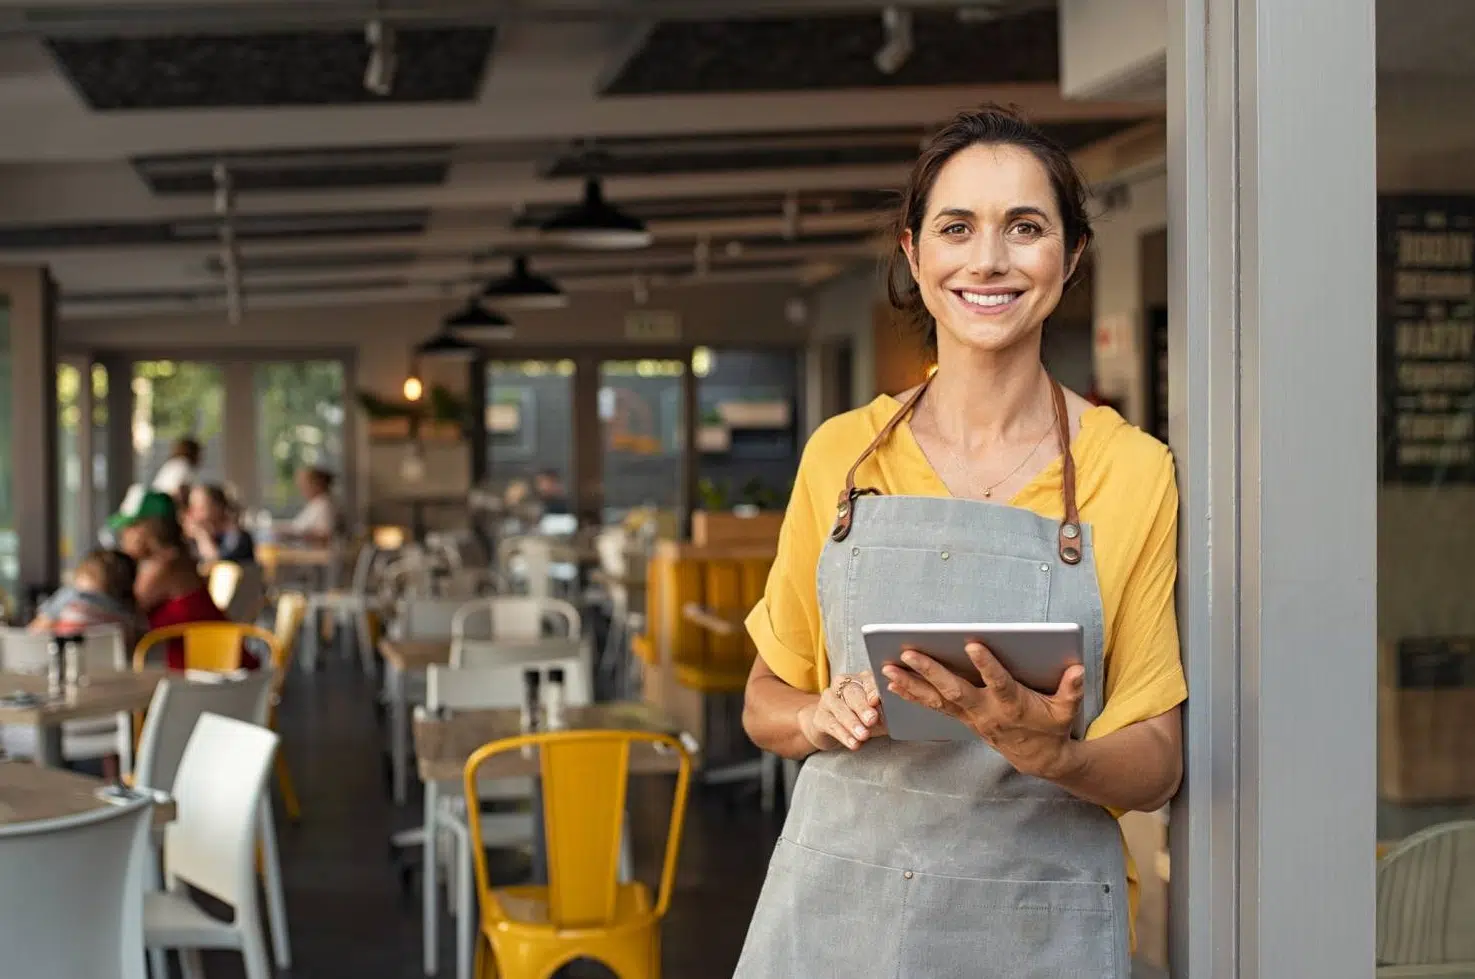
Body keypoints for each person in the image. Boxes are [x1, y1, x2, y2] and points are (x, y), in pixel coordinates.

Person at [735, 105, 1186, 976]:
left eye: (1025, 227)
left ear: (1071, 255)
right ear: (914, 253)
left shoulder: (1130, 471)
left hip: (1033, 922)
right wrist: (814, 714)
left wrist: (1053, 751)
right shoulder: (842, 454)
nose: (988, 259)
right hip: (841, 911)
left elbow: (1157, 762)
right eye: (956, 227)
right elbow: (765, 697)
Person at [110, 491, 256, 670]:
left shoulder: (163, 567)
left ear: (149, 528)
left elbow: (118, 612)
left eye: (129, 526)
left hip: (220, 676)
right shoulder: (178, 558)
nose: (122, 535)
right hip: (213, 670)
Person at [28, 548, 144, 641]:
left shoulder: (71, 596)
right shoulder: (129, 615)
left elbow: (34, 634)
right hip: (110, 669)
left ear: (85, 574)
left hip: (68, 665)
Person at [183, 483, 256, 564]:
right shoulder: (190, 540)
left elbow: (218, 564)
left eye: (201, 508)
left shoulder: (236, 537)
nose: (193, 513)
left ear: (218, 507)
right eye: (192, 507)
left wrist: (202, 536)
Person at [283, 466, 340, 546]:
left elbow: (325, 535)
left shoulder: (325, 505)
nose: (300, 488)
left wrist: (294, 534)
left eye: (304, 484)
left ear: (317, 484)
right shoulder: (315, 503)